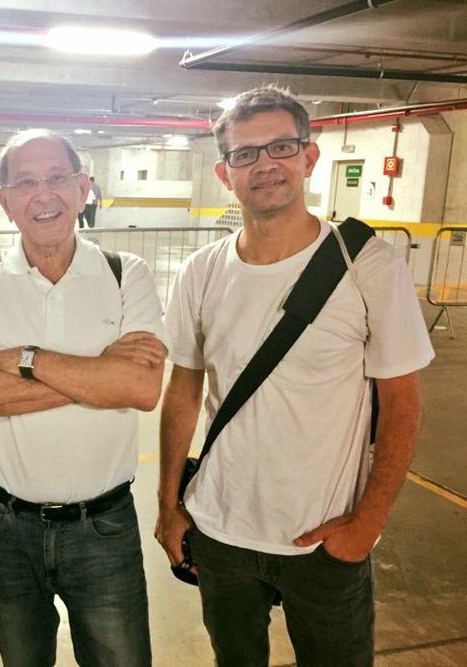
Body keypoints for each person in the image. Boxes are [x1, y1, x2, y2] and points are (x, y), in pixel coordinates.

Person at [155, 85, 434, 667]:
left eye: (281, 147)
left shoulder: (367, 265)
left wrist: (366, 525)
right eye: (245, 154)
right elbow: (183, 387)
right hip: (221, 531)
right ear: (224, 172)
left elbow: (403, 404)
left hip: (323, 539)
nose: (265, 166)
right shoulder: (200, 272)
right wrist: (168, 503)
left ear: (309, 157)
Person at [0, 129, 165, 667]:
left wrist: (24, 359)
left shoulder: (125, 275)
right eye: (25, 182)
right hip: (6, 524)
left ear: (82, 189)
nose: (42, 195)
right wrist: (97, 375)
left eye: (56, 178)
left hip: (105, 526)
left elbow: (140, 388)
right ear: (5, 201)